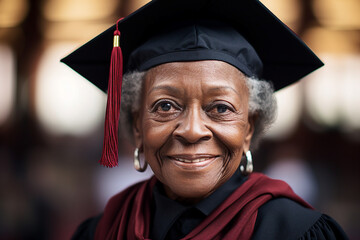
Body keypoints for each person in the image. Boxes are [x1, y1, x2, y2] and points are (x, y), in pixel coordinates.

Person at [62, 0, 349, 239]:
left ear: (249, 127)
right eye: (165, 106)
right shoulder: (104, 230)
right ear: (137, 126)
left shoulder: (296, 233)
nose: (192, 130)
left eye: (220, 108)